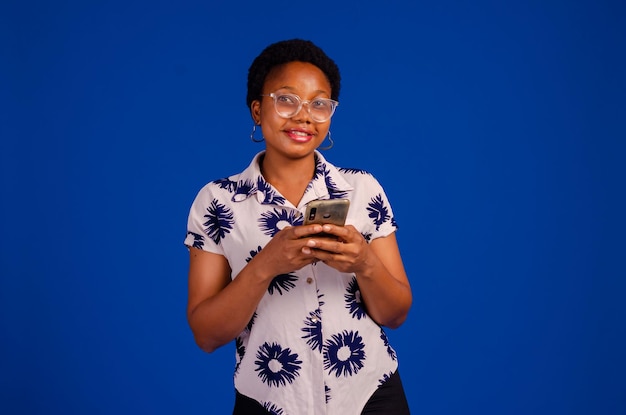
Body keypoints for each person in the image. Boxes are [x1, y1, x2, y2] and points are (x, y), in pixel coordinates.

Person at [184, 39, 412, 414]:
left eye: (319, 104)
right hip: (269, 401)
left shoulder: (362, 189)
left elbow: (396, 314)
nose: (304, 115)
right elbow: (206, 336)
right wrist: (266, 264)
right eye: (286, 99)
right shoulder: (217, 202)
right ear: (258, 110)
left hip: (372, 396)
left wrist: (364, 263)